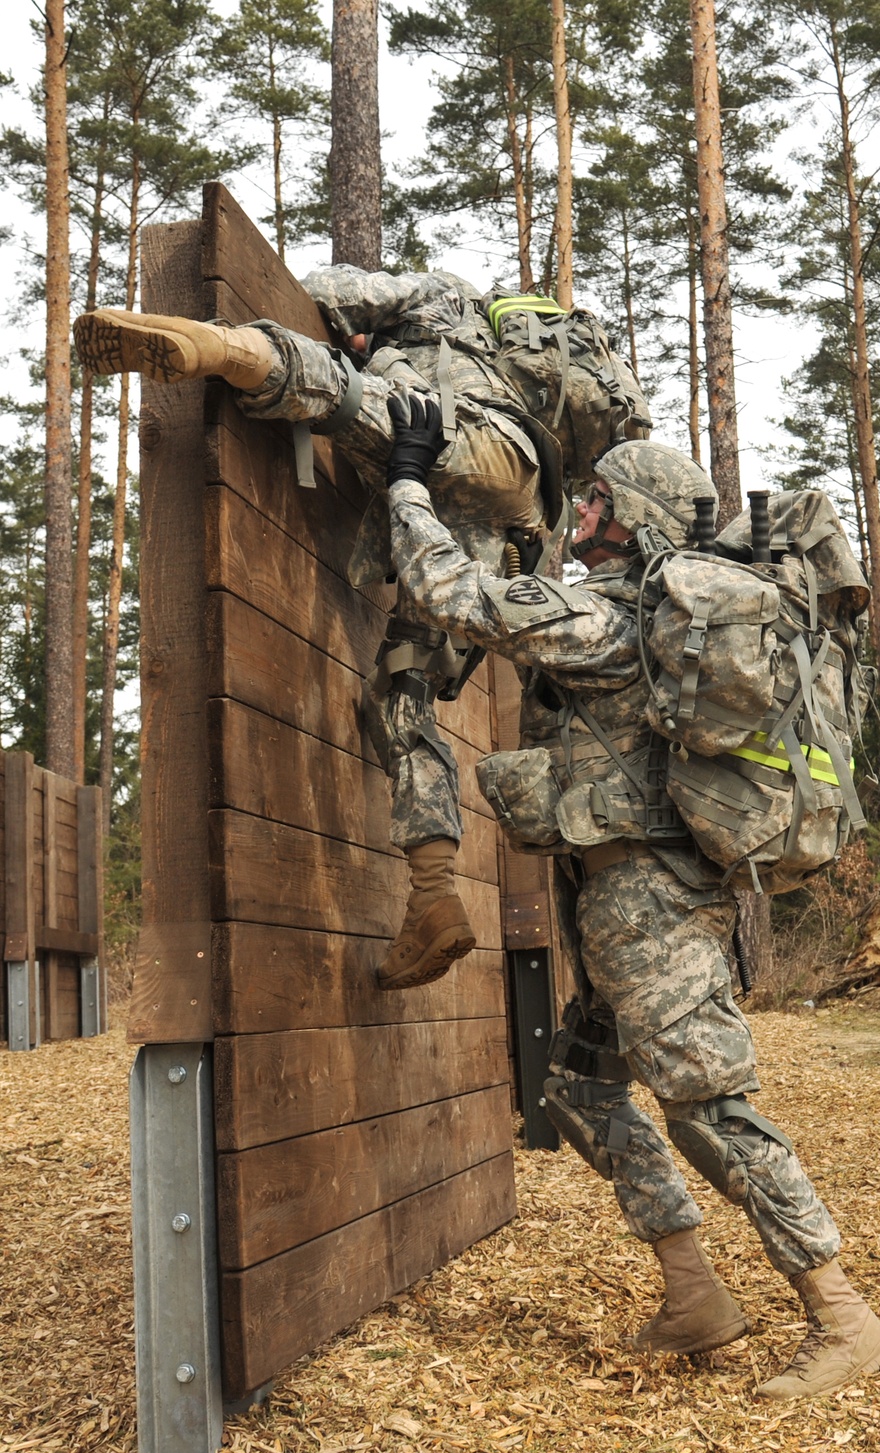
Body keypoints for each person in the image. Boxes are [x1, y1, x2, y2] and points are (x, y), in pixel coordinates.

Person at [380, 390, 880, 1398]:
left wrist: (408, 482)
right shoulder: (621, 616)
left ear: (630, 520)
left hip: (646, 902)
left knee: (708, 1102)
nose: (579, 515)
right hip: (621, 892)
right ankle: (692, 1291)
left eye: (595, 503)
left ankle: (843, 1315)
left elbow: (449, 593)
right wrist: (529, 534)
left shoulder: (609, 616)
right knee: (579, 1089)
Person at [73, 269, 649, 992]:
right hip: (519, 494)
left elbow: (329, 287)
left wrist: (362, 336)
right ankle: (433, 894)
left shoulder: (444, 296)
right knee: (401, 690)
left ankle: (225, 350)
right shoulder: (533, 383)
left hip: (446, 429)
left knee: (354, 395)